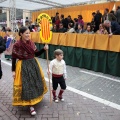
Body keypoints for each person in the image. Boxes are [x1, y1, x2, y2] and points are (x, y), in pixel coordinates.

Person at [12, 26, 48, 115]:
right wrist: (13, 70)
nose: (28, 35)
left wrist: (43, 49)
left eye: (29, 33)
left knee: (35, 83)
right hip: (23, 66)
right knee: (27, 85)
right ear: (21, 34)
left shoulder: (31, 43)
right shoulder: (17, 44)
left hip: (33, 64)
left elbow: (36, 53)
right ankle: (31, 106)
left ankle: (35, 99)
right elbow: (14, 58)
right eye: (26, 33)